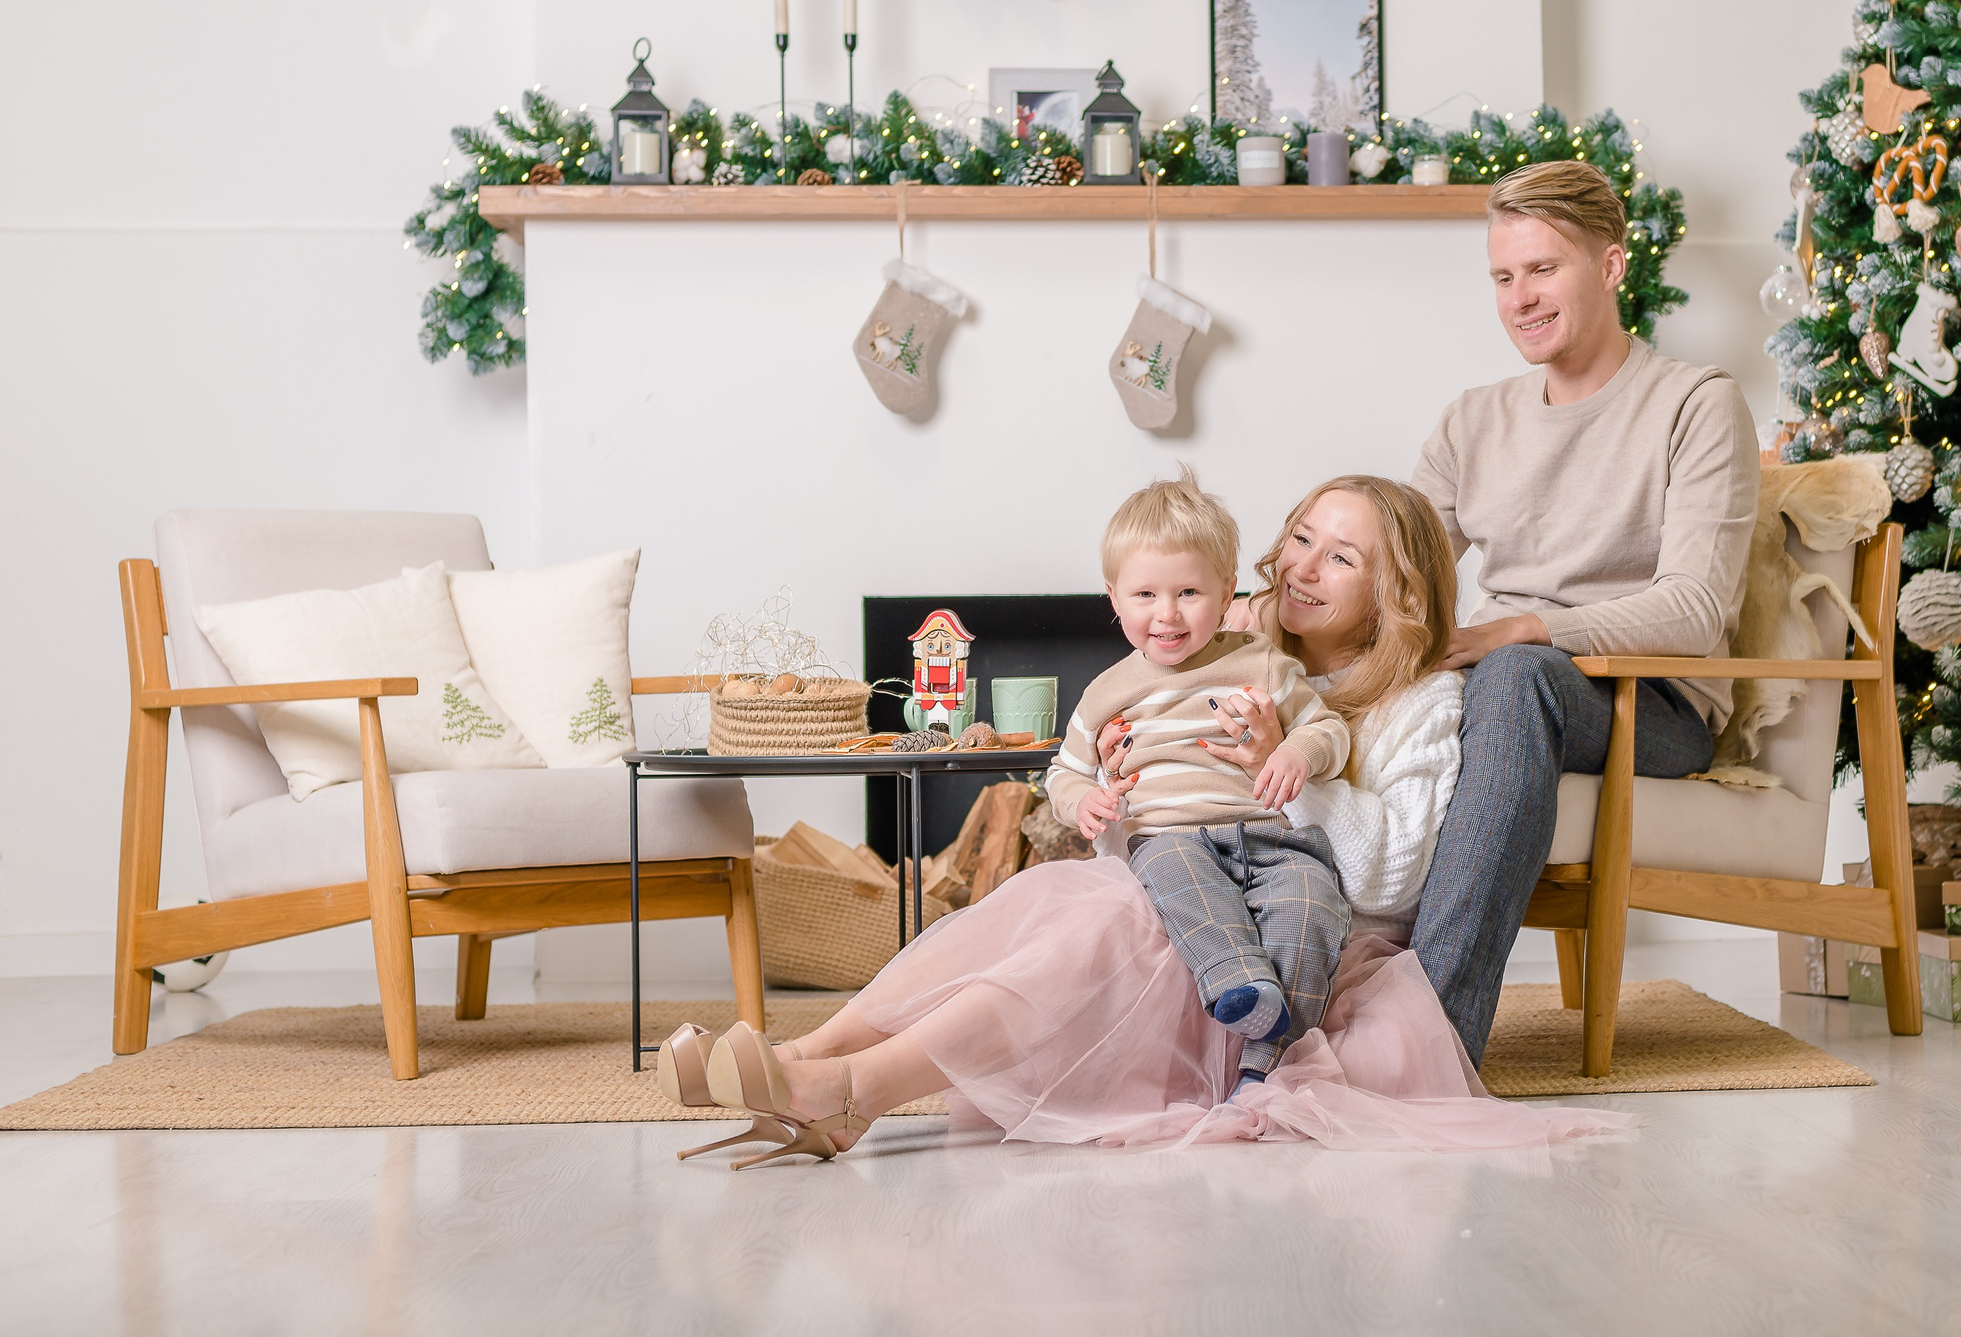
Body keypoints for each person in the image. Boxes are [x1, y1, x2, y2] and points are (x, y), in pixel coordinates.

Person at [656, 476, 1629, 1158]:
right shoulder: (1215, 657)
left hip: (1299, 947)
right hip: (1187, 886)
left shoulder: (1420, 702)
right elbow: (1150, 812)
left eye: (1343, 556)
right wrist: (1114, 800)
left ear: (1396, 590)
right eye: (1299, 537)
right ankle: (806, 1055)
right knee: (1045, 903)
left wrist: (1286, 771)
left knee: (1093, 929)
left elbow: (1392, 879)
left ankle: (845, 1094)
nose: (1303, 567)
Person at [1409, 160, 1759, 1064]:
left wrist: (1524, 627)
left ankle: (1429, 1047)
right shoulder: (1470, 420)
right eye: (1502, 276)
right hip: (1508, 690)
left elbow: (1695, 605)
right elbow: (1400, 573)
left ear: (1610, 266)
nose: (1520, 297)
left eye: (1542, 269)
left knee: (1515, 672)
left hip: (1653, 706)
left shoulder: (1696, 402)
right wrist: (1281, 609)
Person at [1044, 469, 1353, 1088]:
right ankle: (1240, 979)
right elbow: (1063, 772)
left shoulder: (1260, 661)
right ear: (1113, 597)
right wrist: (1083, 801)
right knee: (1173, 871)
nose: (1168, 615)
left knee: (1312, 899)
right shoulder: (1107, 691)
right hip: (1171, 837)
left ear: (1227, 589)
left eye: (1189, 592)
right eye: (1145, 596)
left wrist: (1297, 752)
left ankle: (1268, 1063)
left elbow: (1331, 732)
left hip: (1269, 838)